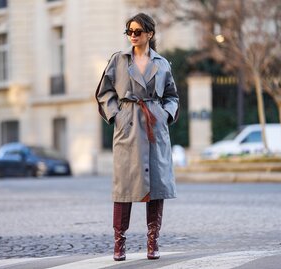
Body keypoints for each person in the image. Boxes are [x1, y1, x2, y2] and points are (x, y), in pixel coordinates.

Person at [95, 13, 179, 261]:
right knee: (124, 188)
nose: (133, 35)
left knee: (156, 186)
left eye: (138, 31)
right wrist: (115, 116)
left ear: (149, 34)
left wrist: (165, 114)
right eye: (129, 31)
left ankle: (153, 242)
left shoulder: (163, 64)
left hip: (155, 126)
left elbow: (172, 96)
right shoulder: (118, 61)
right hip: (128, 127)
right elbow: (104, 92)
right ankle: (119, 244)